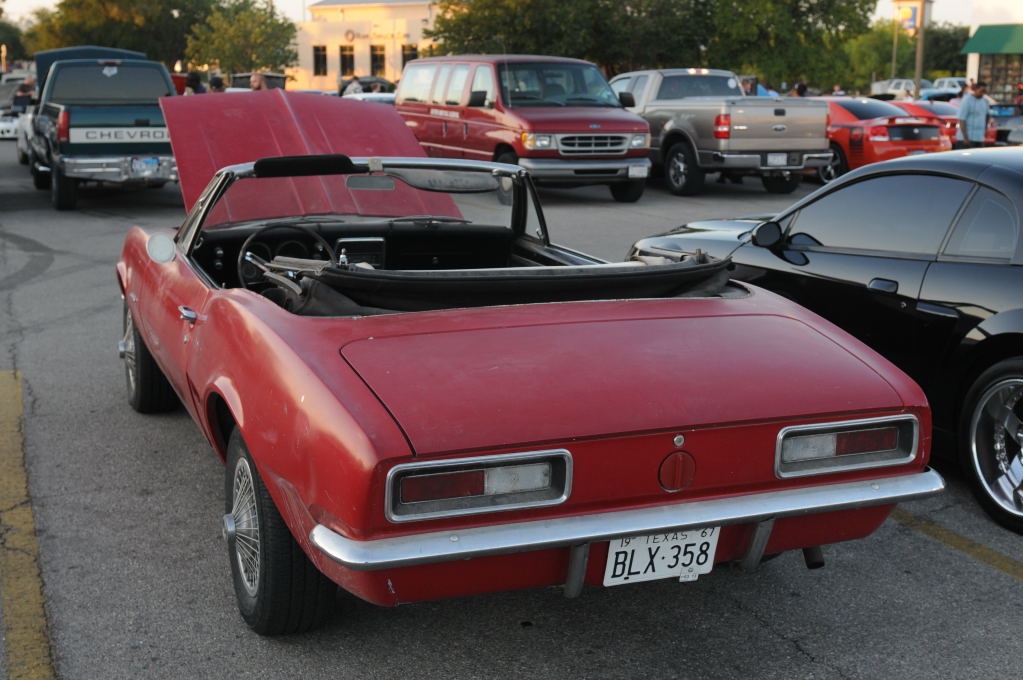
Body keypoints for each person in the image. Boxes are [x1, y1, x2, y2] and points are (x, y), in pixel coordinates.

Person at [958, 81, 990, 148]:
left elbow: (987, 115)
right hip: (967, 137)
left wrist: (985, 130)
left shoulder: (985, 101)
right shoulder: (967, 100)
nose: (983, 93)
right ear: (975, 89)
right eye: (981, 91)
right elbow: (962, 119)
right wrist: (965, 137)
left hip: (979, 137)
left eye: (984, 91)